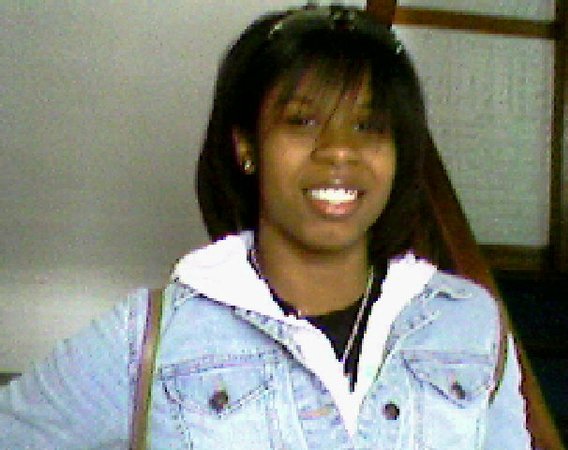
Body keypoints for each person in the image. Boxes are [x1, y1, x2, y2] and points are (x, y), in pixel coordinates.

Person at [0, 6, 531, 449]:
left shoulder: (469, 325)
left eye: (368, 126)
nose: (339, 151)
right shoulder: (152, 336)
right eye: (302, 121)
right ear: (246, 146)